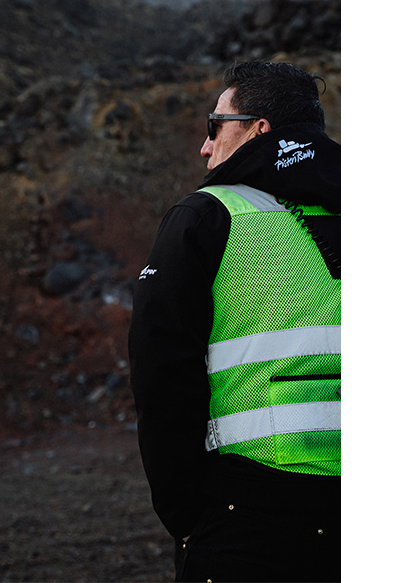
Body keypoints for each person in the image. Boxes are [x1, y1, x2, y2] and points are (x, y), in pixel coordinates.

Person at [128, 61, 340, 582]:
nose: (205, 147)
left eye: (215, 126)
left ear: (258, 130)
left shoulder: (207, 216)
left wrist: (186, 519)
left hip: (248, 517)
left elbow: (162, 379)